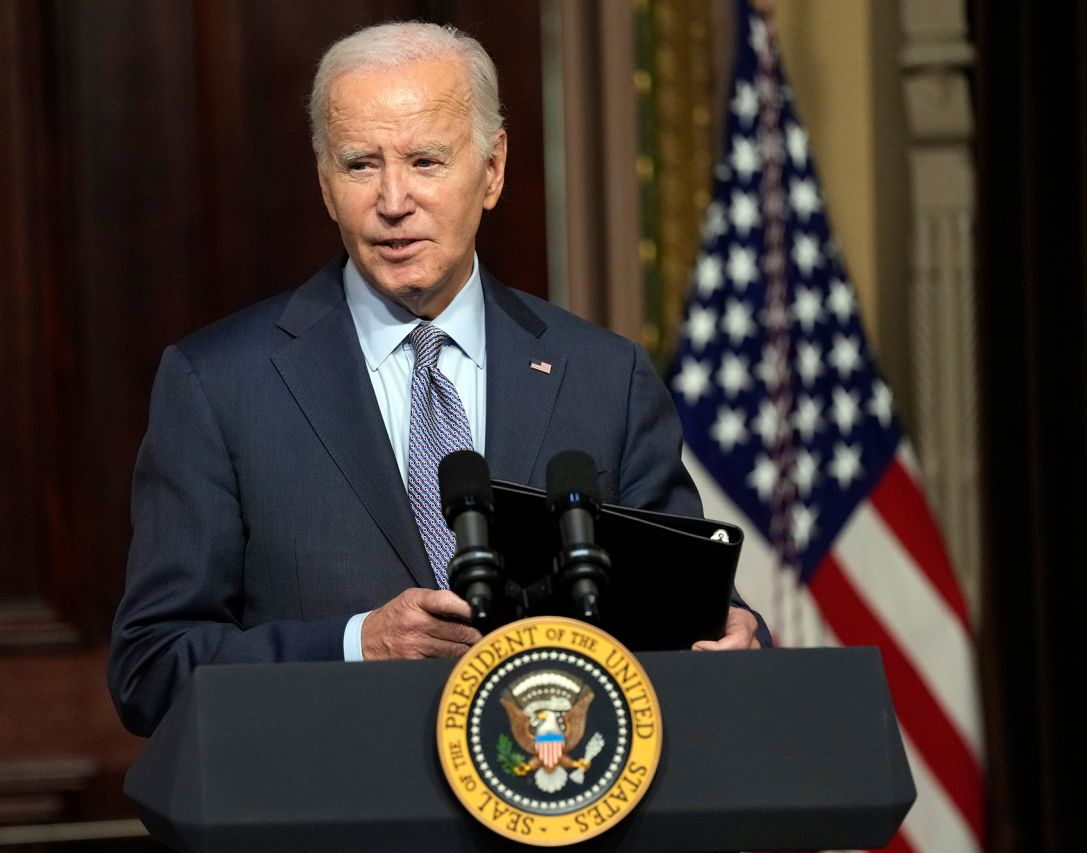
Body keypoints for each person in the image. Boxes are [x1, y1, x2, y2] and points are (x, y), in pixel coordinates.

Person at [109, 21, 768, 737]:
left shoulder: (604, 377)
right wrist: (357, 644)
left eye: (426, 161)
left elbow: (695, 613)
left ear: (493, 169)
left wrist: (736, 636)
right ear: (325, 183)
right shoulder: (219, 385)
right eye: (361, 164)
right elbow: (150, 668)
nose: (394, 200)